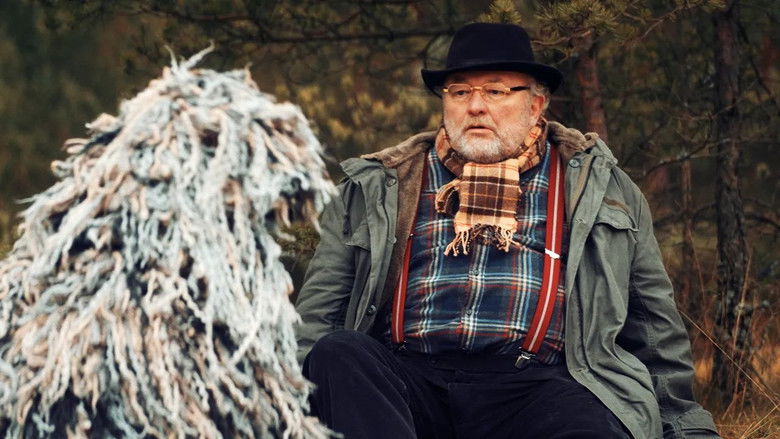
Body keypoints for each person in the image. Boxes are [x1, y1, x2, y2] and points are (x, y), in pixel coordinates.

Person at [294, 22, 720, 439]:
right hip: (408, 386)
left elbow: (652, 327)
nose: (475, 107)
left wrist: (685, 428)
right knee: (339, 352)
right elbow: (319, 315)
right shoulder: (380, 183)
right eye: (459, 92)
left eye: (495, 91)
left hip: (538, 389)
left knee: (591, 422)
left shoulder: (598, 186)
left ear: (536, 105)